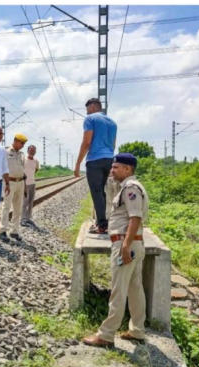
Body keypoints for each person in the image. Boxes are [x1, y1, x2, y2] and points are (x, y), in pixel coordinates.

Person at [82, 153, 148, 348]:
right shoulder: (127, 187)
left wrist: (125, 247)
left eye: (116, 167)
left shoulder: (130, 189)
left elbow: (135, 218)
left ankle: (106, 335)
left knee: (118, 290)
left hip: (125, 244)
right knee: (135, 289)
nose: (112, 170)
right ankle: (137, 330)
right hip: (133, 244)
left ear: (127, 169)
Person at [73, 97, 117, 235]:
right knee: (102, 193)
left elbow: (86, 142)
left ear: (93, 106)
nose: (87, 112)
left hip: (95, 160)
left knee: (97, 193)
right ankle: (102, 221)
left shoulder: (90, 119)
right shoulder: (112, 122)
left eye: (87, 109)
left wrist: (78, 163)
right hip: (109, 159)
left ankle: (102, 226)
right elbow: (113, 144)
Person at [0, 133, 28, 242]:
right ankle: (2, 231)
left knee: (18, 208)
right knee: (6, 207)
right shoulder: (5, 152)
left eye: (24, 144)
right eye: (22, 143)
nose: (23, 145)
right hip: (9, 182)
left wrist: (24, 187)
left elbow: (23, 171)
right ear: (15, 141)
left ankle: (14, 231)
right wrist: (5, 183)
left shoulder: (21, 154)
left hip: (20, 182)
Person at [21, 144, 40, 227]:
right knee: (24, 202)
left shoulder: (36, 161)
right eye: (31, 150)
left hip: (33, 183)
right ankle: (22, 219)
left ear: (35, 152)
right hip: (25, 184)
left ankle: (28, 218)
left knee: (31, 202)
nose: (32, 151)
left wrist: (31, 177)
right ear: (27, 150)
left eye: (33, 150)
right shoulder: (23, 159)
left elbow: (36, 170)